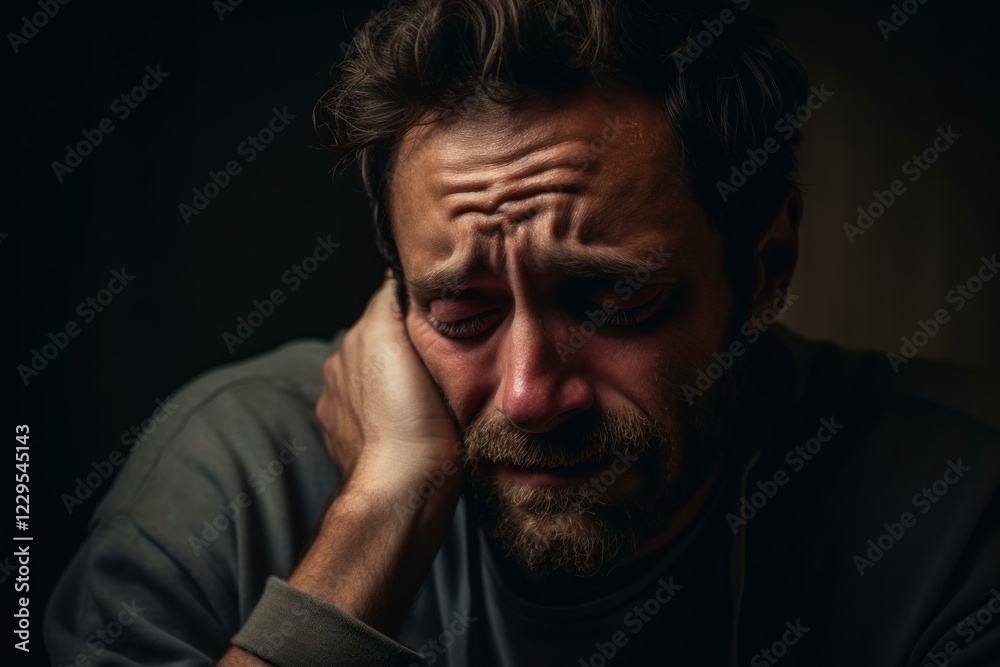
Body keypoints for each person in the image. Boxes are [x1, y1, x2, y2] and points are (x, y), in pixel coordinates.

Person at [45, 1, 1000, 665]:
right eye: (460, 312)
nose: (528, 395)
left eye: (613, 300)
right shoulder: (229, 470)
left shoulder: (951, 516)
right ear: (395, 293)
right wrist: (379, 519)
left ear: (766, 265)